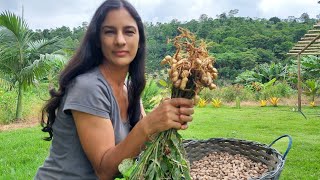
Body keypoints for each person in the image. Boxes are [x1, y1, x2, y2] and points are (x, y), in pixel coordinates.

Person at [35, 0, 194, 179]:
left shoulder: (130, 89)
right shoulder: (89, 87)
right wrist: (149, 124)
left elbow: (139, 146)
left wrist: (166, 121)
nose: (120, 41)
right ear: (98, 40)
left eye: (129, 32)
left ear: (139, 40)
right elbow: (104, 170)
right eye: (110, 32)